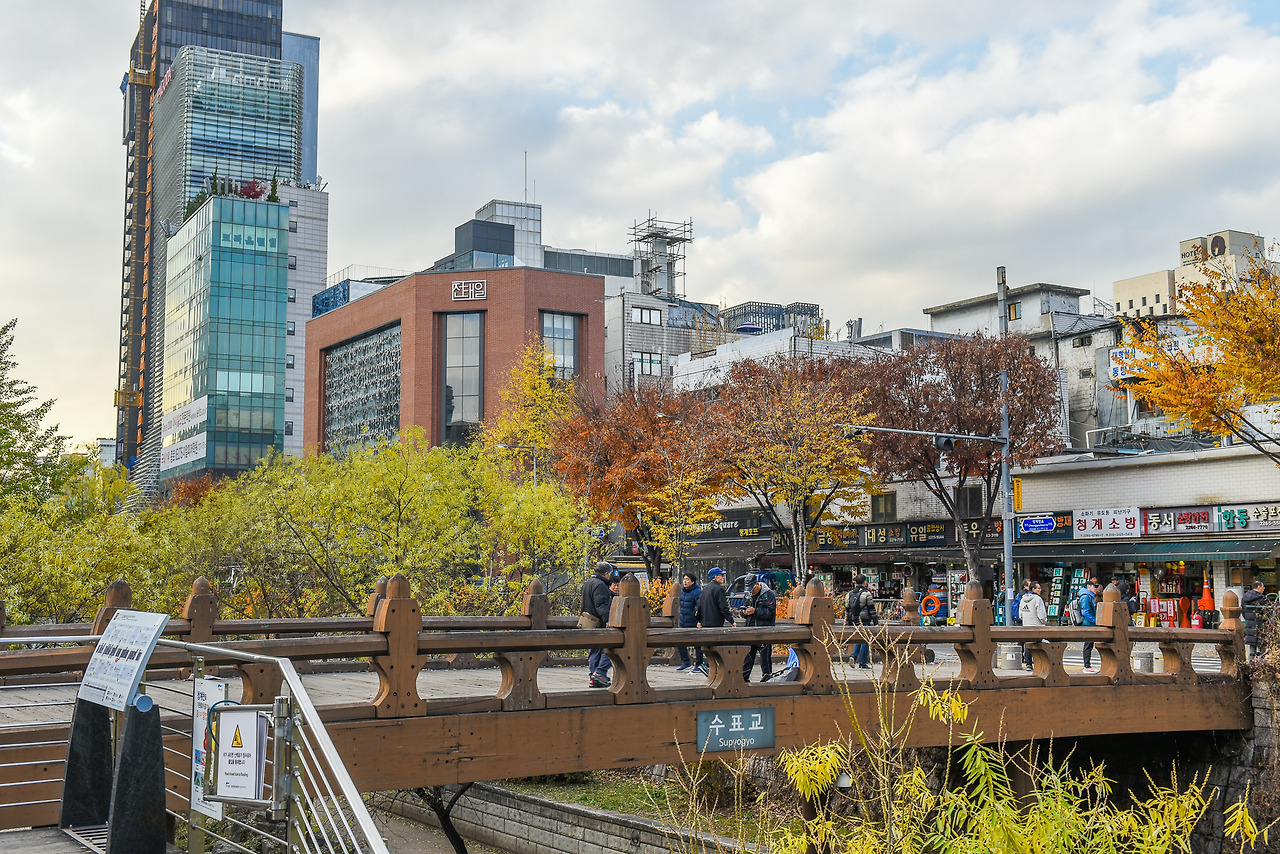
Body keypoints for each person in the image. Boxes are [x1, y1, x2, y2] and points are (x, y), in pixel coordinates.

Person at [581, 562, 619, 688]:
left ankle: (593, 675)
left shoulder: (588, 583)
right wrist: (607, 619)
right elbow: (600, 605)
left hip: (588, 621)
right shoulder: (601, 585)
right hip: (598, 622)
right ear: (606, 573)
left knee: (593, 650)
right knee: (609, 647)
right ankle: (600, 672)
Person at [696, 567, 734, 676]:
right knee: (716, 648)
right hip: (716, 622)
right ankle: (710, 668)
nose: (722, 577)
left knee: (709, 647)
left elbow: (699, 606)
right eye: (721, 575)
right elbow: (723, 607)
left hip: (705, 622)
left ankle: (708, 667)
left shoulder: (706, 589)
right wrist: (731, 620)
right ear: (715, 577)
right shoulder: (718, 589)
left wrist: (699, 620)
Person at [741, 575, 777, 682]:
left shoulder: (769, 594)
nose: (751, 592)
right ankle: (744, 678)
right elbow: (744, 611)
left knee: (765, 657)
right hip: (750, 629)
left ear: (757, 584)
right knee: (748, 656)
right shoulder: (747, 595)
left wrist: (755, 611)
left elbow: (770, 613)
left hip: (764, 630)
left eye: (752, 589)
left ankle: (767, 678)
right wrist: (744, 613)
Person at [675, 572, 704, 672]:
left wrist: (700, 621)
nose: (685, 581)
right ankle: (686, 662)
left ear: (692, 581)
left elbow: (700, 607)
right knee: (679, 641)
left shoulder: (697, 592)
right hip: (683, 621)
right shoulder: (683, 591)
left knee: (697, 644)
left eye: (687, 579)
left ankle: (699, 664)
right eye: (684, 579)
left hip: (693, 622)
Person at [845, 575, 875, 670]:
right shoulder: (867, 594)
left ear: (856, 582)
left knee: (858, 638)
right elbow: (871, 609)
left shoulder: (849, 594)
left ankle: (853, 656)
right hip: (864, 619)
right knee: (865, 641)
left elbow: (847, 609)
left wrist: (847, 621)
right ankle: (862, 663)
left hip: (854, 619)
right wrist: (875, 621)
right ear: (864, 582)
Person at [1019, 581, 1048, 671]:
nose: (1040, 590)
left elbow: (1020, 615)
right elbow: (1041, 615)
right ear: (1033, 589)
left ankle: (1029, 664)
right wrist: (1044, 621)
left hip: (1026, 625)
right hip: (1037, 626)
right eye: (1038, 588)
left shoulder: (1022, 599)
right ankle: (1040, 663)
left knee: (1028, 644)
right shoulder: (1038, 599)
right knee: (1040, 644)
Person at [1243, 579, 1268, 661]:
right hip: (1260, 626)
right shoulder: (1261, 599)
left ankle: (1250, 665)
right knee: (1262, 650)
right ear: (1258, 587)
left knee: (1252, 649)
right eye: (1263, 587)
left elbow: (1243, 611)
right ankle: (1261, 666)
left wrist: (1248, 619)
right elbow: (1267, 613)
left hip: (1249, 626)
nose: (1263, 589)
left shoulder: (1245, 597)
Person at [1079, 578, 1099, 673]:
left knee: (1089, 645)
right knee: (1088, 645)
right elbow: (1085, 612)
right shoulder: (1086, 597)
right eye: (1094, 586)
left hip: (1089, 623)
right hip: (1088, 624)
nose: (1095, 588)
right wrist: (1094, 620)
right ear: (1088, 586)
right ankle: (1086, 666)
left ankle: (1087, 665)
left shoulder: (1088, 596)